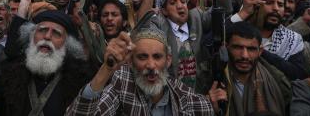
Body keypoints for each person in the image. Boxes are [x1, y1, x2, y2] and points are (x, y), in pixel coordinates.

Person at [66, 26, 214, 115]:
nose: (150, 65)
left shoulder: (187, 98)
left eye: (157, 57)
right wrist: (107, 68)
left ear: (168, 60)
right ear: (130, 61)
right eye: (142, 57)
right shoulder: (121, 87)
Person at [1, 10, 91, 116]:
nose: (47, 36)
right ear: (31, 36)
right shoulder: (10, 72)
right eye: (42, 30)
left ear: (67, 45)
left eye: (56, 33)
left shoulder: (79, 81)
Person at [208, 22, 291, 116]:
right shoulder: (209, 77)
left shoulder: (277, 80)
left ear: (260, 51)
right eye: (238, 47)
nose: (244, 55)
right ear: (226, 47)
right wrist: (211, 109)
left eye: (251, 49)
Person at [229, 0, 308, 80]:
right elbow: (215, 39)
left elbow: (297, 74)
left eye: (280, 5)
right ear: (255, 5)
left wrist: (260, 52)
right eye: (269, 3)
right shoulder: (237, 31)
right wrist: (244, 12)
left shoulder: (292, 39)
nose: (276, 8)